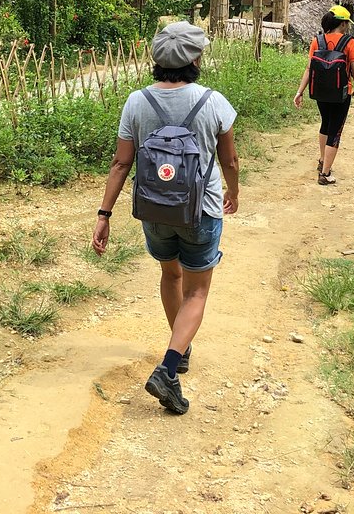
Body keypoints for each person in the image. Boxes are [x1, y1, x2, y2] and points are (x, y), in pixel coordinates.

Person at [92, 22, 240, 416]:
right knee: (197, 291)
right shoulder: (213, 102)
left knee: (170, 275)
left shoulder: (137, 102)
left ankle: (180, 344)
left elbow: (121, 162)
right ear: (195, 59)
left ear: (157, 59)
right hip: (201, 211)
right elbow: (229, 160)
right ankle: (170, 367)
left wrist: (104, 215)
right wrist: (233, 192)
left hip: (155, 210)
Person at [293, 6, 354, 184]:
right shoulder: (349, 42)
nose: (348, 26)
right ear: (343, 23)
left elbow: (309, 68)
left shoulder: (317, 41)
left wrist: (300, 92)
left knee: (325, 123)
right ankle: (325, 174)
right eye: (347, 23)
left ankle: (322, 160)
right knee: (335, 130)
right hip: (341, 94)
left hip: (320, 92)